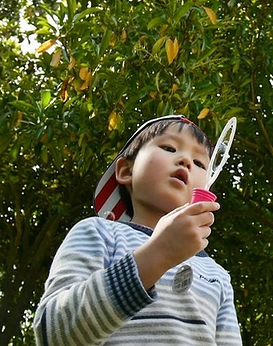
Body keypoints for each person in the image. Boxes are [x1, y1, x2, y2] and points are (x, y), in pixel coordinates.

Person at [33, 114, 242, 345]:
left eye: (201, 163)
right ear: (126, 171)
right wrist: (158, 254)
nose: (186, 160)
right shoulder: (99, 233)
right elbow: (53, 332)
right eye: (169, 147)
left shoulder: (217, 276)